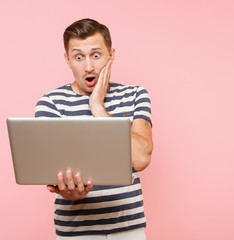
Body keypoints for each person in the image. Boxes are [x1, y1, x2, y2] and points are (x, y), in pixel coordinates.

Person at [35, 18, 153, 240]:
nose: (88, 66)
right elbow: (51, 172)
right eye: (78, 57)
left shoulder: (135, 95)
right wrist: (68, 192)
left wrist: (98, 108)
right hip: (75, 232)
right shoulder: (51, 103)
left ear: (111, 55)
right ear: (67, 60)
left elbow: (141, 159)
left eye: (96, 55)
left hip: (128, 230)